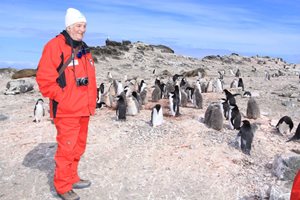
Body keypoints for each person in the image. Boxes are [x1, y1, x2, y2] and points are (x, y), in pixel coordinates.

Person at [36, 8, 97, 200]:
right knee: (67, 147)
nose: (83, 30)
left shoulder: (84, 48)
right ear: (69, 26)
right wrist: (62, 97)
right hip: (67, 110)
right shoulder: (55, 46)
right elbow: (44, 79)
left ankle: (72, 177)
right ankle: (62, 186)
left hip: (84, 109)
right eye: (79, 26)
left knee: (78, 146)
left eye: (84, 26)